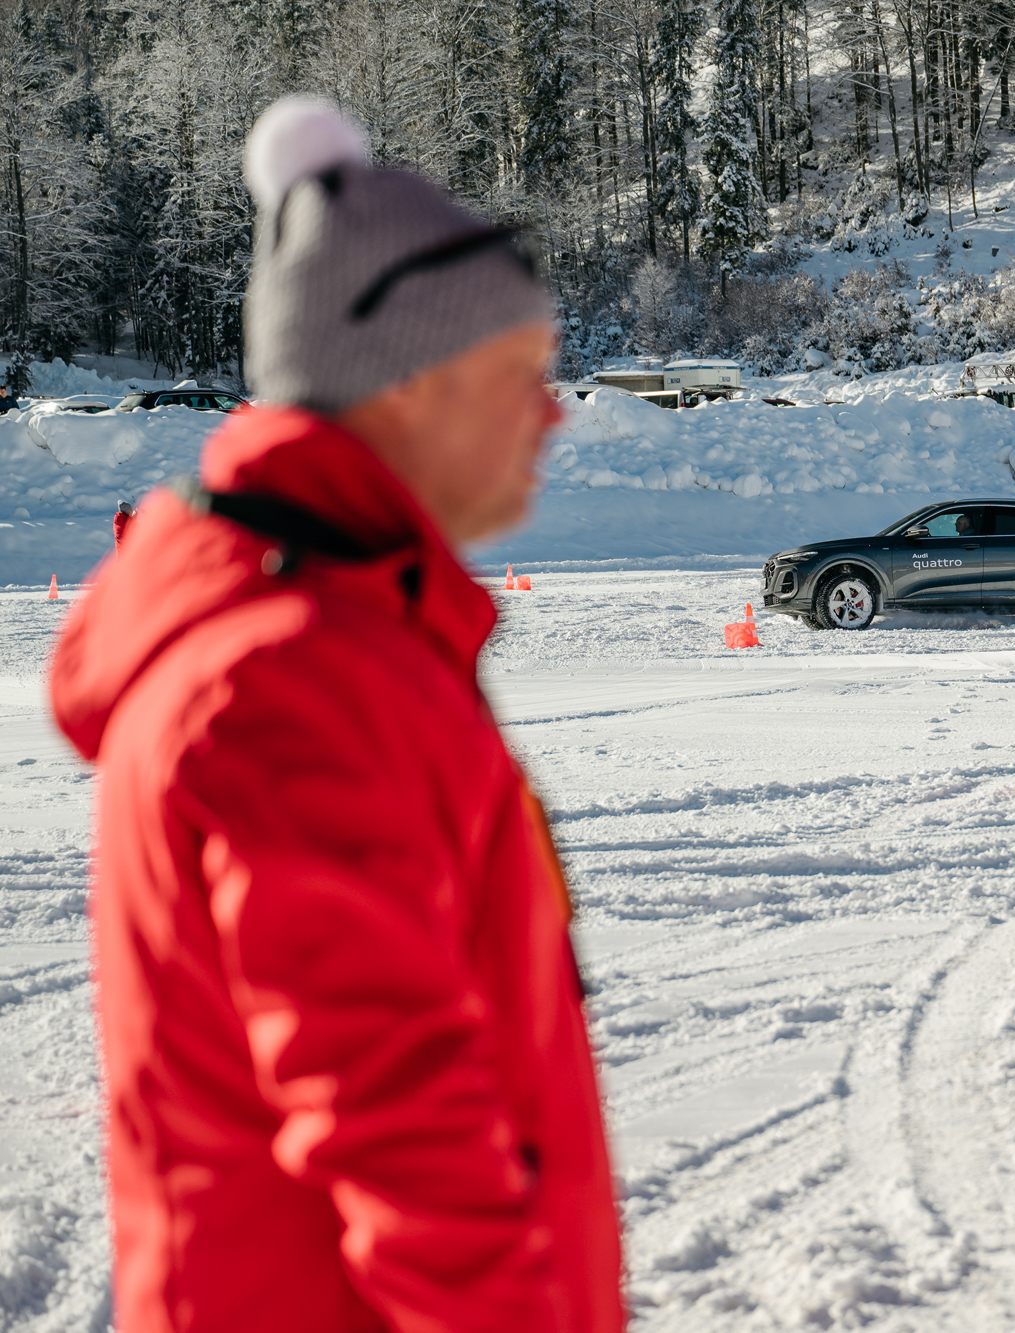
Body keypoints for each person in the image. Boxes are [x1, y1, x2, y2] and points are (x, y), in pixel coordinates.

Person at [47, 99, 623, 1332]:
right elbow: (396, 1121)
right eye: (520, 374)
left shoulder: (339, 634)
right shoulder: (291, 679)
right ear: (406, 386)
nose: (554, 413)